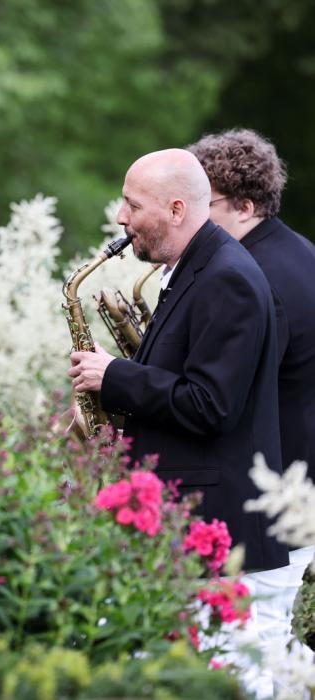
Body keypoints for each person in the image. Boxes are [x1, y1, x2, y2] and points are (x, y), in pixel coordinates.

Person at [68, 148, 288, 571]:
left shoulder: (226, 278)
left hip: (217, 534)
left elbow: (211, 406)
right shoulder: (198, 267)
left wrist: (114, 376)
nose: (120, 216)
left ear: (176, 209)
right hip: (194, 524)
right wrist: (111, 376)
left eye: (133, 204)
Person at [188, 129, 315, 480]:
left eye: (204, 205)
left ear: (245, 207)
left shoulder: (251, 276)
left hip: (285, 480)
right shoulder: (298, 248)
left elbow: (225, 399)